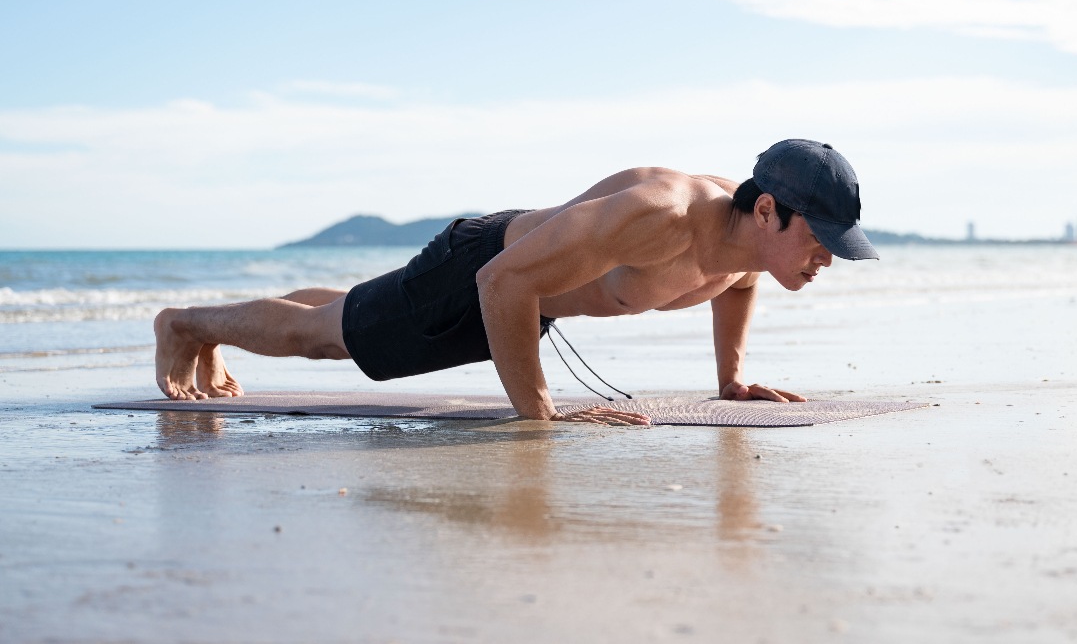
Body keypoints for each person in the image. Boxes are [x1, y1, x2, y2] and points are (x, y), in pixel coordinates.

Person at [154, 139, 878, 426]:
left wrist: (732, 377)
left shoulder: (741, 245)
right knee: (325, 341)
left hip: (522, 296)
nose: (827, 259)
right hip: (478, 274)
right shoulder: (661, 215)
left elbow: (737, 281)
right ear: (765, 211)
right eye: (819, 238)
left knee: (345, 316)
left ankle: (211, 326)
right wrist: (542, 414)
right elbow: (502, 282)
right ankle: (187, 324)